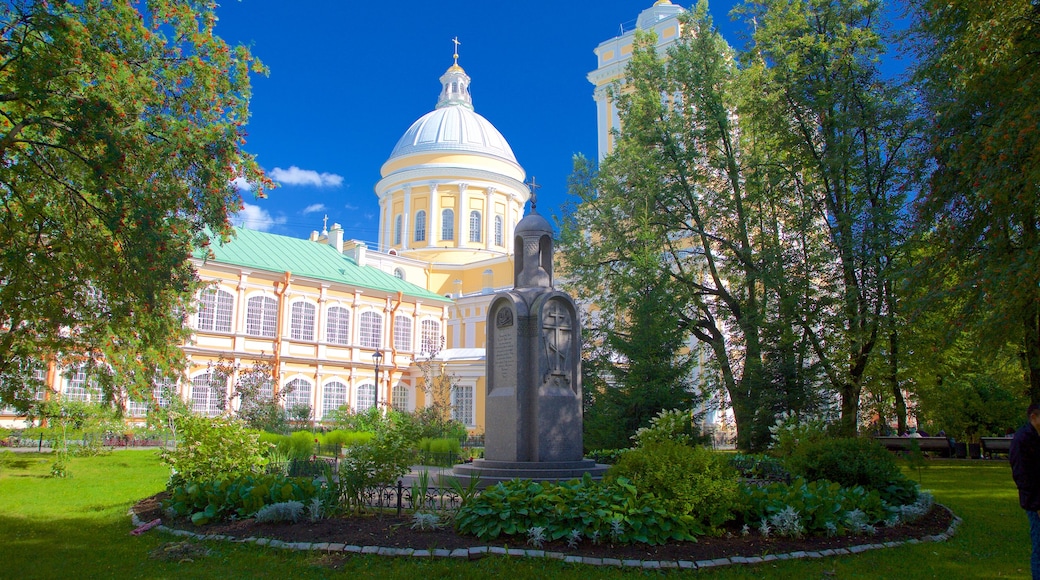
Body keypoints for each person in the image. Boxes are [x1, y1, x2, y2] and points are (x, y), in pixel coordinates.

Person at [1010, 403, 1040, 579]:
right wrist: (1037, 505)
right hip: (1035, 503)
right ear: (1033, 418)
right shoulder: (1022, 440)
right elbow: (1023, 477)